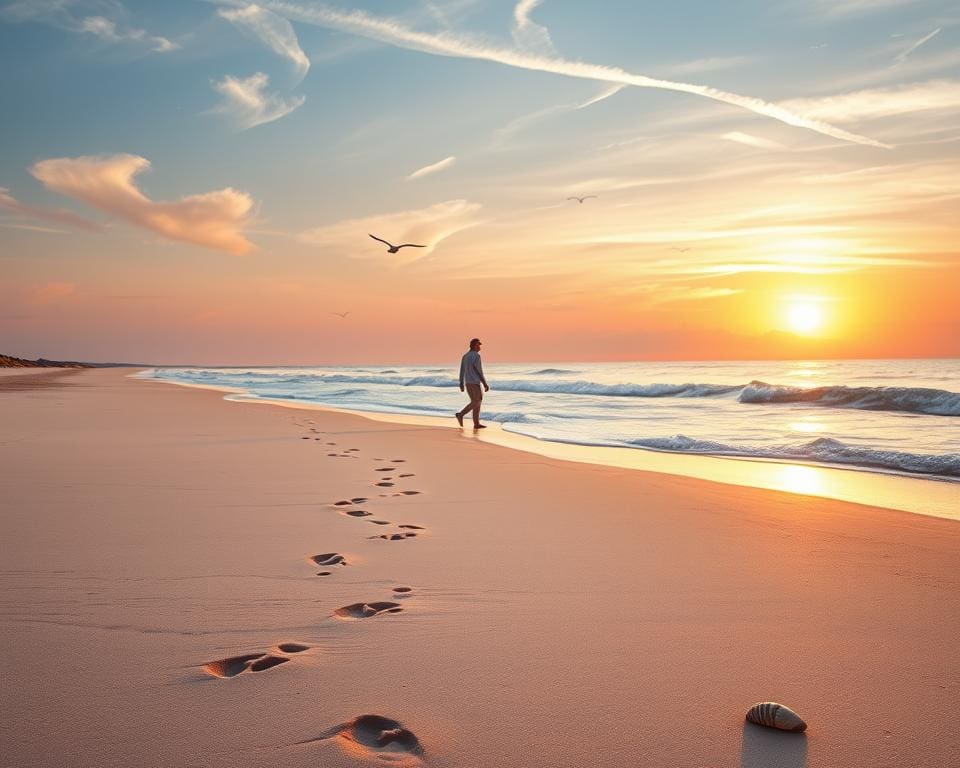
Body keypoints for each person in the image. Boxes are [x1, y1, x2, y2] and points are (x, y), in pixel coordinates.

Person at [456, 338, 489, 429]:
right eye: (479, 345)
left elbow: (462, 370)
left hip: (468, 382)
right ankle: (461, 414)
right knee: (477, 401)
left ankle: (476, 423)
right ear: (475, 345)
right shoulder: (476, 356)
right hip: (474, 382)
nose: (480, 347)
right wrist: (484, 383)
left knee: (476, 402)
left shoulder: (465, 356)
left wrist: (461, 383)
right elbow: (478, 371)